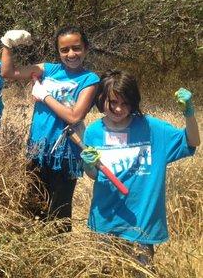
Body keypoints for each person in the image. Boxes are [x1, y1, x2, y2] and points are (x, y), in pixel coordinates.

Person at [80, 69, 199, 265]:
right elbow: (93, 175)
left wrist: (189, 114)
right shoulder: (93, 131)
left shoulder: (152, 128)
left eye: (125, 103)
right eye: (113, 102)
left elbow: (192, 141)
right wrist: (88, 164)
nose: (119, 109)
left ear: (133, 102)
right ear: (102, 100)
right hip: (105, 221)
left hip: (141, 224)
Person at [1, 26, 99, 231]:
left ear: (86, 48)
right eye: (64, 50)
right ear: (58, 52)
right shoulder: (48, 69)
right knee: (33, 207)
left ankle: (58, 257)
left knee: (59, 214)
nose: (71, 54)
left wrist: (44, 96)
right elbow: (8, 73)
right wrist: (7, 45)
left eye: (76, 48)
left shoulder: (90, 79)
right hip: (38, 149)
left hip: (66, 153)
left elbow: (74, 116)